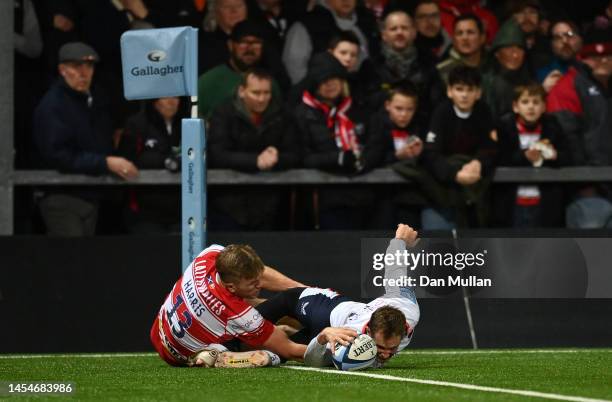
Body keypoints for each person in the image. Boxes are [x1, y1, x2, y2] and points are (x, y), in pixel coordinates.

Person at [151, 243, 355, 367]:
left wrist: (307, 292)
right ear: (231, 286)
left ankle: (221, 348)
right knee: (271, 354)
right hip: (180, 356)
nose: (260, 284)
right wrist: (337, 351)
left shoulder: (209, 256)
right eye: (253, 283)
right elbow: (291, 350)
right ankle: (223, 356)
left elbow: (260, 272)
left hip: (159, 330)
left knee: (255, 306)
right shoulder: (239, 314)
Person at [255, 223, 420, 368]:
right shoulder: (353, 333)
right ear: (368, 331)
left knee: (281, 351)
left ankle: (281, 336)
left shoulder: (408, 307)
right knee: (248, 324)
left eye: (392, 349)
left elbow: (396, 273)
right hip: (320, 305)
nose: (385, 355)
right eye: (380, 347)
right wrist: (400, 240)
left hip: (327, 333)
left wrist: (322, 337)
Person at [32, 42, 139, 236]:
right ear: (62, 70)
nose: (84, 73)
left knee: (83, 260)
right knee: (70, 260)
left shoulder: (94, 99)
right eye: (76, 66)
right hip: (61, 196)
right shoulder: (53, 106)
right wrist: (105, 162)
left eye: (89, 66)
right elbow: (58, 154)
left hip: (91, 195)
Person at [208, 69, 299, 230]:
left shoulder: (282, 114)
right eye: (256, 93)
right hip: (228, 205)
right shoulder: (223, 113)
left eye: (266, 93)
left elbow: (297, 153)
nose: (262, 98)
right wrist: (255, 161)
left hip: (271, 206)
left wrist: (276, 157)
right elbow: (216, 154)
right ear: (242, 91)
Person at [294, 52, 372, 229]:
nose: (329, 84)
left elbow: (375, 143)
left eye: (334, 78)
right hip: (324, 199)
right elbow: (301, 156)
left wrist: (365, 159)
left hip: (365, 193)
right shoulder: (302, 114)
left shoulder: (358, 109)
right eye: (323, 80)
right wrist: (338, 159)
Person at [547, 25, 612, 228]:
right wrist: (585, 184)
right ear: (582, 57)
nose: (602, 60)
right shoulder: (566, 87)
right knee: (593, 245)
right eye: (594, 55)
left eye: (608, 55)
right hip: (587, 190)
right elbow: (567, 141)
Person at [420, 65, 497, 229]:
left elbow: (491, 147)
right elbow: (431, 153)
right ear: (449, 91)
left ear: (478, 93)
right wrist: (454, 174)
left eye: (470, 90)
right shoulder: (441, 112)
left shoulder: (484, 111)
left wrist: (478, 163)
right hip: (442, 190)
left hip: (476, 188)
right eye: (459, 89)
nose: (464, 95)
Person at [494, 83, 569, 228]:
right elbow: (498, 158)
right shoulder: (503, 127)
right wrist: (524, 157)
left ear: (544, 107)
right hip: (511, 205)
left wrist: (555, 156)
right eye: (525, 102)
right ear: (515, 106)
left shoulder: (553, 126)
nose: (531, 107)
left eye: (536, 102)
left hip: (545, 205)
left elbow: (569, 157)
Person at [117, 97, 185, 233]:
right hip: (144, 210)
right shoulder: (137, 123)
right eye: (166, 97)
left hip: (181, 211)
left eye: (176, 97)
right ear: (155, 100)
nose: (172, 101)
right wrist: (166, 161)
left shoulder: (187, 124)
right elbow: (127, 159)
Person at [197, 19, 283, 119]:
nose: (250, 48)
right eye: (243, 42)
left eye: (256, 43)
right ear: (230, 45)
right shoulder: (208, 82)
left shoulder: (269, 82)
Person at [365, 83, 424, 228]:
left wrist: (421, 154)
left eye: (409, 109)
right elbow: (370, 159)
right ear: (387, 105)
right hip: (381, 197)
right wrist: (397, 156)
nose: (404, 114)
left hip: (411, 196)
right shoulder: (376, 124)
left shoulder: (420, 126)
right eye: (399, 109)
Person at [370, 10, 444, 126]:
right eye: (393, 29)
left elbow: (437, 103)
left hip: (422, 129)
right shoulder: (370, 66)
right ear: (384, 35)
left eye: (404, 28)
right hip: (382, 133)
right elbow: (368, 105)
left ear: (414, 32)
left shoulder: (429, 63)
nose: (399, 32)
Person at [282, 0, 379, 84]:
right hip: (318, 97)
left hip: (361, 94)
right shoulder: (306, 25)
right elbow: (295, 69)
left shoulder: (366, 21)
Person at [481, 19, 531, 119]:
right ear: (496, 53)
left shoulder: (529, 82)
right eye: (509, 49)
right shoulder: (484, 83)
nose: (515, 55)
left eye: (520, 49)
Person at [198, 0, 248, 74]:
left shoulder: (261, 39)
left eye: (239, 6)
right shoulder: (202, 44)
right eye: (227, 7)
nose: (234, 11)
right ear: (215, 11)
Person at [437, 14, 488, 84]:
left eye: (470, 32)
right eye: (459, 33)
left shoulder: (495, 67)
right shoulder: (442, 72)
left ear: (482, 38)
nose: (464, 38)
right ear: (454, 40)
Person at [537, 20, 583, 92]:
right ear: (551, 44)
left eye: (569, 35)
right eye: (557, 37)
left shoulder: (590, 68)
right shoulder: (543, 75)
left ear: (579, 39)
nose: (565, 41)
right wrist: (543, 91)